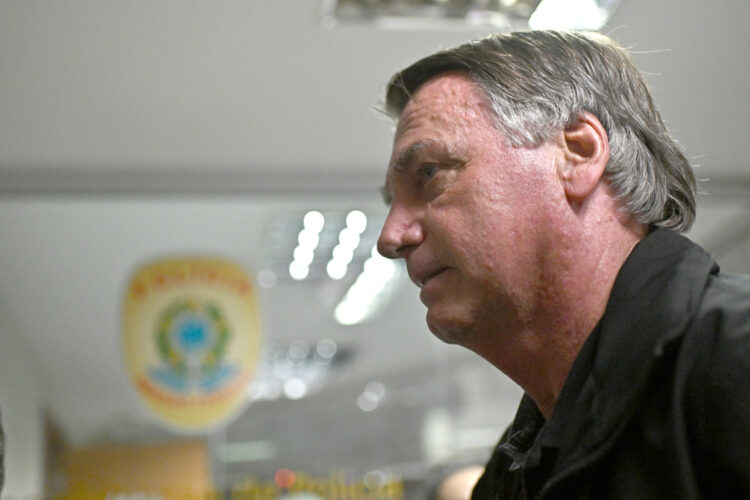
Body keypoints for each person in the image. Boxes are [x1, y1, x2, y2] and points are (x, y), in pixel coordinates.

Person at [376, 30, 750, 498]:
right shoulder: (515, 471)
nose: (390, 238)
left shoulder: (735, 360)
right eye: (394, 202)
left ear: (579, 152)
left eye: (429, 173)